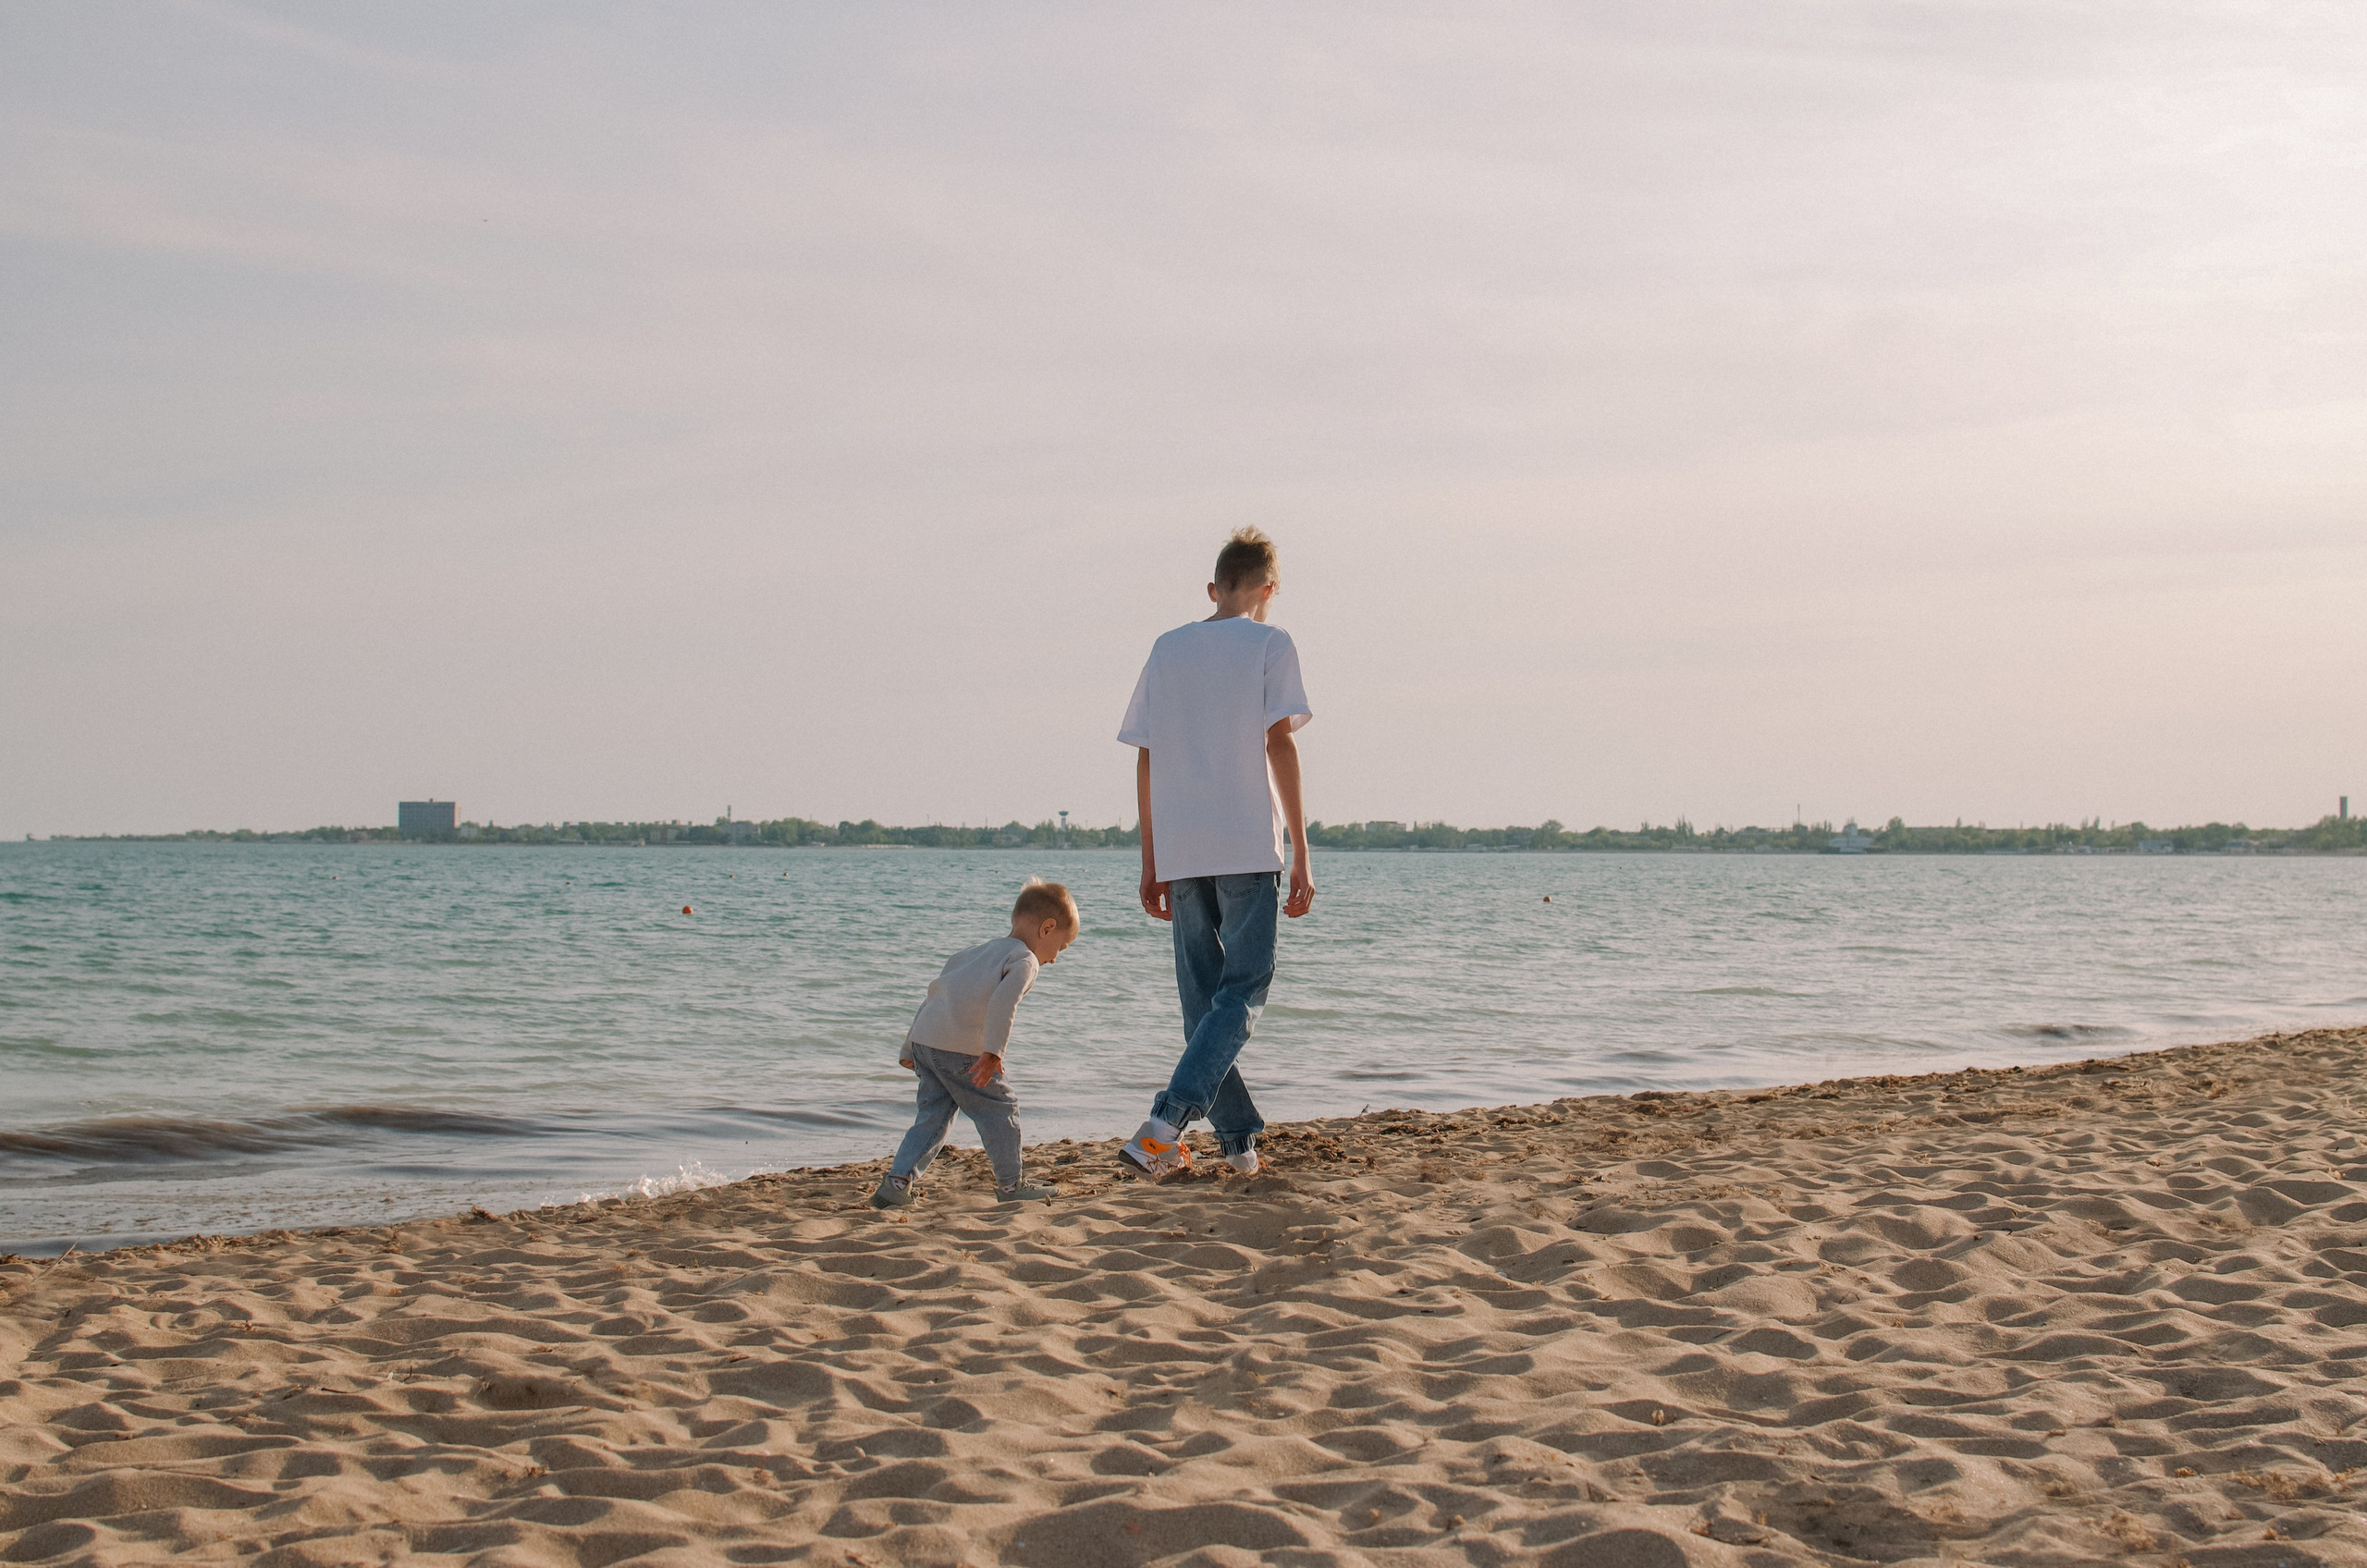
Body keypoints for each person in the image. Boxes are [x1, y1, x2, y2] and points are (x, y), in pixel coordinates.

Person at [1115, 527, 1313, 1182]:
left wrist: (1150, 858)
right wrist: (1302, 851)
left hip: (1181, 846)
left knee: (1203, 1004)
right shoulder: (1270, 642)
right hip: (1245, 839)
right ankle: (1164, 1125)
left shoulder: (1167, 647)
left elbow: (1146, 757)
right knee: (1243, 992)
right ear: (1269, 589)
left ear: (1213, 589)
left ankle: (1237, 1143)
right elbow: (1280, 744)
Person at [869, 878, 1077, 1208]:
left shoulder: (970, 953)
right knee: (1001, 1108)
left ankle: (897, 1183)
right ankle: (1011, 1186)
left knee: (933, 1116)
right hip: (961, 1050)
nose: (1055, 959)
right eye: (1061, 948)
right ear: (1047, 929)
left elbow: (936, 994)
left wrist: (910, 1046)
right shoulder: (1025, 960)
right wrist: (993, 1051)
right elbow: (1003, 1004)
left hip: (926, 1042)